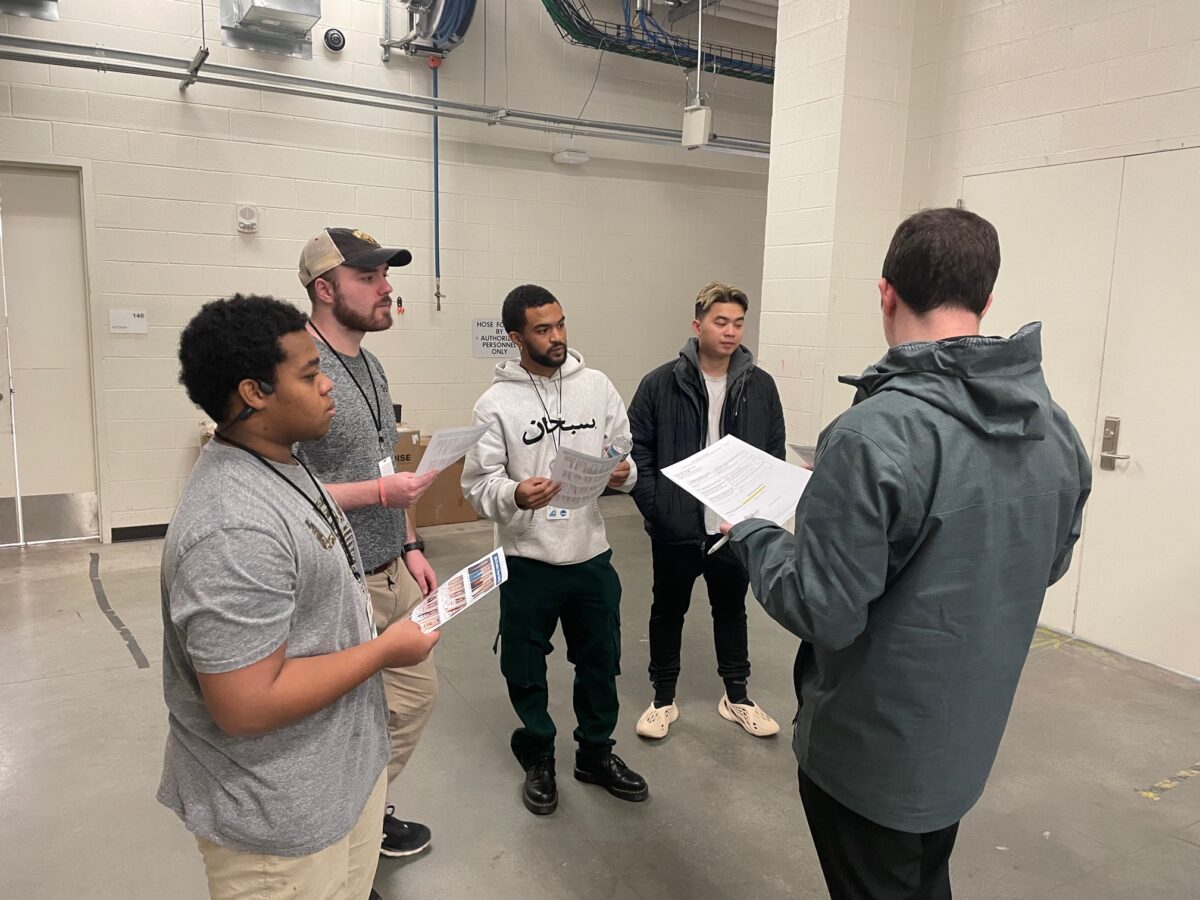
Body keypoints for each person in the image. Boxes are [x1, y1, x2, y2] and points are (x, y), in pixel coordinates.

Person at [724, 208, 1092, 899]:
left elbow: (822, 609)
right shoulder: (1053, 426)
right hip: (964, 740)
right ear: (987, 299)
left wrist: (752, 526)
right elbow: (1044, 559)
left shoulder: (872, 435)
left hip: (870, 754)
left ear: (886, 292)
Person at [160, 294, 438, 900]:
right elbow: (246, 705)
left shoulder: (283, 462)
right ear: (254, 393)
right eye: (310, 375)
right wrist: (385, 650)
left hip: (337, 783)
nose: (328, 385)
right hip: (278, 821)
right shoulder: (233, 526)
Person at [461, 283, 648, 816]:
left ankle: (595, 752)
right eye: (543, 330)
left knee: (600, 660)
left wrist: (622, 473)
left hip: (591, 555)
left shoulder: (597, 386)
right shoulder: (494, 404)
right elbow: (477, 487)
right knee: (525, 666)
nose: (557, 337)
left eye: (561, 324)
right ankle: (538, 754)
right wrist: (515, 493)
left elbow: (625, 455)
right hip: (527, 562)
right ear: (517, 338)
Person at [293, 227, 441, 859]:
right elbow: (286, 488)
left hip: (391, 568)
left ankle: (363, 810)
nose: (386, 288)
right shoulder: (298, 368)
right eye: (369, 277)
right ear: (325, 289)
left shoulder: (370, 364)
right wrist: (380, 498)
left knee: (412, 698)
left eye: (387, 275)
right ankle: (342, 832)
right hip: (335, 578)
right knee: (343, 716)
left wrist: (409, 544)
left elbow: (384, 466)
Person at [627, 282, 786, 740]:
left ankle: (736, 696)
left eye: (738, 322)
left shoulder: (760, 386)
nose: (731, 331)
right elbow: (638, 451)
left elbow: (770, 454)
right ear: (697, 326)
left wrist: (757, 515)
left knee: (732, 610)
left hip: (732, 529)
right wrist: (657, 507)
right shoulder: (659, 384)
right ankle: (662, 699)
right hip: (677, 525)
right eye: (721, 321)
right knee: (667, 611)